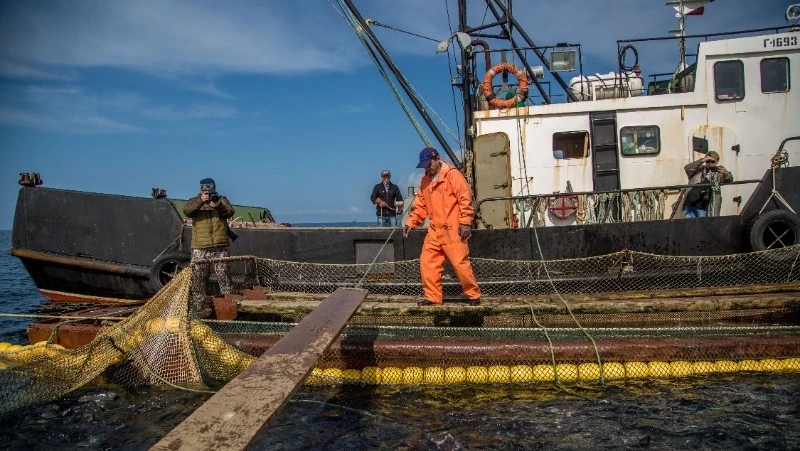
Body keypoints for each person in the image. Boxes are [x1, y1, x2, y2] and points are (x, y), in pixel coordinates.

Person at [402, 147, 481, 306]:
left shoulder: (453, 175)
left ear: (437, 159)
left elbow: (465, 199)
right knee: (427, 261)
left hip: (453, 230)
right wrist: (411, 222)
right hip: (434, 231)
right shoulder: (425, 181)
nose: (427, 167)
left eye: (428, 163)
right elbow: (420, 206)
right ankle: (432, 297)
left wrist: (465, 222)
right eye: (424, 165)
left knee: (460, 263)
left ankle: (473, 294)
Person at [183, 178, 235, 318]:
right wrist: (201, 200)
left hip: (220, 246)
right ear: (201, 190)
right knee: (199, 279)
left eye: (210, 191)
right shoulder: (194, 201)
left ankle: (228, 309)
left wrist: (218, 205)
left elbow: (230, 212)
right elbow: (187, 211)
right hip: (200, 247)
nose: (208, 193)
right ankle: (199, 310)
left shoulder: (221, 199)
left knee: (224, 278)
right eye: (205, 191)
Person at [683, 151, 734, 218]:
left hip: (703, 207)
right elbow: (687, 168)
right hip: (689, 205)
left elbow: (729, 179)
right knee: (689, 226)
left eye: (712, 162)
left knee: (702, 227)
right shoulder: (698, 169)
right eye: (708, 161)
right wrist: (703, 160)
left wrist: (726, 173)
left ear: (717, 162)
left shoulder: (718, 173)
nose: (710, 164)